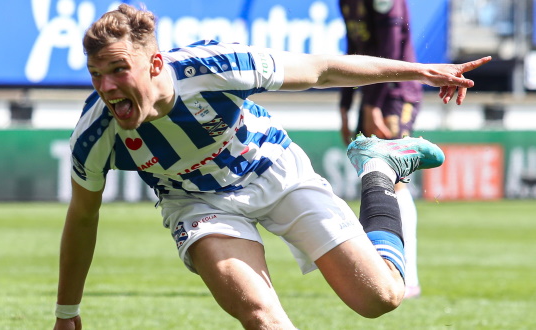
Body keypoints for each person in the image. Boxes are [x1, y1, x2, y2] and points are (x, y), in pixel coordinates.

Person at [54, 4, 489, 329]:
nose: (107, 87)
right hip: (197, 203)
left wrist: (419, 71)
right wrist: (67, 312)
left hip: (273, 170)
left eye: (118, 70)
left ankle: (377, 168)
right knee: (263, 319)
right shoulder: (95, 134)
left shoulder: (215, 67)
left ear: (153, 64)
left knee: (381, 297)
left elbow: (320, 70)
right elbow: (83, 216)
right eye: (97, 75)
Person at [338, 0, 424, 298]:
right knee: (380, 174)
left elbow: (390, 53)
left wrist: (371, 106)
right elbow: (352, 53)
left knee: (395, 179)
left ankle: (406, 276)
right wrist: (346, 106)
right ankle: (391, 269)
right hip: (372, 93)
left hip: (397, 94)